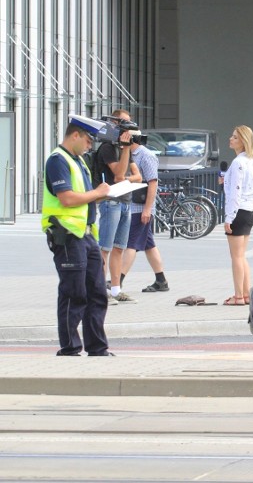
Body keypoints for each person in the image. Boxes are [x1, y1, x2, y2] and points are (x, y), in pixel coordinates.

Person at [42, 115, 113, 356]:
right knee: (74, 293)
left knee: (97, 292)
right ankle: (70, 348)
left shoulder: (78, 160)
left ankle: (97, 347)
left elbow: (86, 195)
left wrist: (102, 193)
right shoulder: (57, 160)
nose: (90, 146)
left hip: (86, 234)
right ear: (75, 135)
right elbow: (67, 198)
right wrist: (97, 194)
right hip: (68, 235)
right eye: (88, 140)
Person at [96, 109, 141, 304]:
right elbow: (119, 175)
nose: (128, 128)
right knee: (105, 247)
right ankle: (99, 290)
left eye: (129, 123)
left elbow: (137, 176)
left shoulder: (124, 148)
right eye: (124, 123)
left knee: (119, 248)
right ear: (114, 123)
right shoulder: (108, 147)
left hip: (125, 201)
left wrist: (125, 149)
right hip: (111, 201)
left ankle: (115, 289)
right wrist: (124, 149)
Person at [121, 138, 169, 293]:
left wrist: (148, 209)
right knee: (149, 245)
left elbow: (152, 182)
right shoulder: (127, 154)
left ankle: (117, 279)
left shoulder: (145, 155)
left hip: (141, 208)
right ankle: (161, 280)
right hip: (133, 206)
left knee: (131, 244)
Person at [223, 125, 253, 306]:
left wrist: (229, 218)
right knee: (242, 255)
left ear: (243, 141)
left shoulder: (238, 163)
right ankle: (245, 294)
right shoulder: (250, 160)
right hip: (250, 209)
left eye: (235, 137)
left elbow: (235, 192)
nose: (231, 139)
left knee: (236, 256)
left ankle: (238, 296)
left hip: (239, 210)